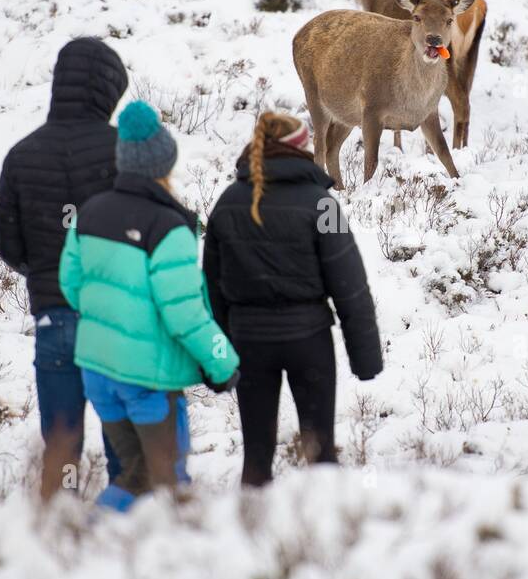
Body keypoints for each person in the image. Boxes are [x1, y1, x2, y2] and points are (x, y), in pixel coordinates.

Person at [60, 100, 239, 510]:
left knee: (133, 474)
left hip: (98, 371)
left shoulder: (89, 213)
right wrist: (223, 362)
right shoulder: (169, 226)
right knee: (166, 482)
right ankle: (91, 542)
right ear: (164, 164)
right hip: (148, 381)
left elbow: (72, 286)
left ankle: (95, 550)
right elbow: (185, 312)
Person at [203, 111, 382, 487]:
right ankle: (320, 536)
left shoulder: (227, 203)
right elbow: (350, 286)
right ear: (301, 150)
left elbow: (212, 291)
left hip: (250, 345)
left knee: (256, 456)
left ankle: (249, 534)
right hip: (309, 342)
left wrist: (222, 351)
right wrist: (364, 358)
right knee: (320, 453)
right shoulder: (323, 205)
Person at [0, 37, 125, 499]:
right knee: (124, 441)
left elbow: (7, 243)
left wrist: (44, 271)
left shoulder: (21, 154)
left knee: (62, 444)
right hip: (114, 320)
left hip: (54, 318)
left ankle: (58, 536)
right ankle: (126, 527)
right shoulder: (122, 151)